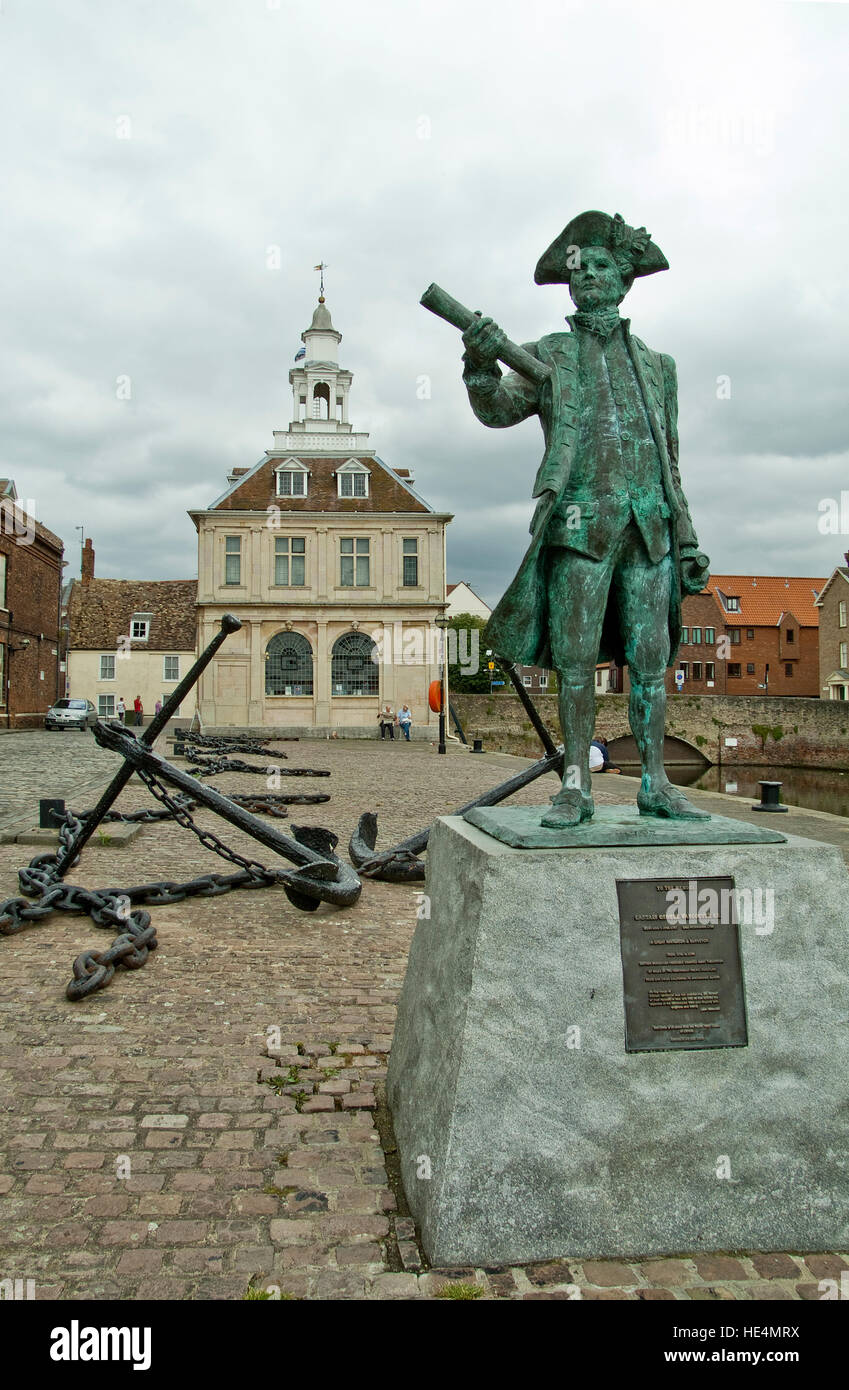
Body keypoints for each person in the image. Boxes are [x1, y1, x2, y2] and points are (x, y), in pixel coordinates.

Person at [461, 209, 710, 827]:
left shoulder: (660, 367)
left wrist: (687, 539)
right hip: (579, 528)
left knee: (651, 664)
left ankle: (655, 783)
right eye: (582, 269)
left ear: (626, 280)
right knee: (575, 665)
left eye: (604, 266)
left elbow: (670, 461)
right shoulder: (550, 355)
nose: (592, 276)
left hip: (648, 530)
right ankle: (576, 787)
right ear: (570, 283)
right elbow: (496, 411)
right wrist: (480, 364)